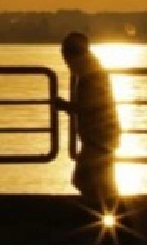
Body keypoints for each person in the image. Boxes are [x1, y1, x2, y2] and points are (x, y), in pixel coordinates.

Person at [54, 31, 121, 209]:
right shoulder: (91, 70)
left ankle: (110, 219)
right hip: (101, 136)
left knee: (86, 180)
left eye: (66, 57)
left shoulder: (89, 75)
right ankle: (113, 219)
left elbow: (89, 106)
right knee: (100, 184)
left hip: (98, 137)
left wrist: (65, 106)